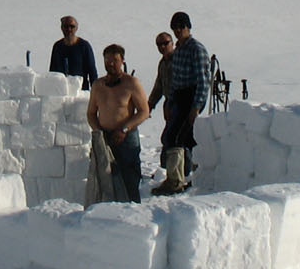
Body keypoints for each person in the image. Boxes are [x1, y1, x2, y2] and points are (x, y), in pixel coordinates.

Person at [153, 11, 210, 195]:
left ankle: (178, 180)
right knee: (176, 137)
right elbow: (169, 82)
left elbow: (203, 80)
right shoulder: (178, 51)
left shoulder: (196, 49)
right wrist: (169, 102)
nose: (178, 31)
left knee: (179, 137)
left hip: (191, 97)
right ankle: (179, 178)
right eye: (175, 28)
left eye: (181, 27)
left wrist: (196, 107)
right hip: (178, 97)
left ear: (188, 27)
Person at [85, 44, 150, 203]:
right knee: (105, 180)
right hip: (105, 138)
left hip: (126, 138)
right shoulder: (98, 85)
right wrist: (98, 132)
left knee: (129, 180)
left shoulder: (131, 83)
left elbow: (144, 111)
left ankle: (133, 213)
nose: (111, 64)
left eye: (115, 60)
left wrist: (124, 128)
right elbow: (91, 113)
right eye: (107, 60)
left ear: (122, 61)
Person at [49, 15, 98, 88]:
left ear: (76, 28)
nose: (69, 29)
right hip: (61, 91)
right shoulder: (57, 46)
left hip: (80, 92)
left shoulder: (84, 46)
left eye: (72, 26)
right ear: (62, 28)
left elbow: (92, 72)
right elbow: (52, 72)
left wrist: (95, 92)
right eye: (66, 26)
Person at [145, 31, 174, 111]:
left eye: (165, 43)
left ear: (172, 43)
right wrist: (149, 105)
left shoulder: (179, 59)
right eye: (159, 44)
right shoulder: (162, 64)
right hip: (169, 104)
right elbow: (158, 87)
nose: (162, 47)